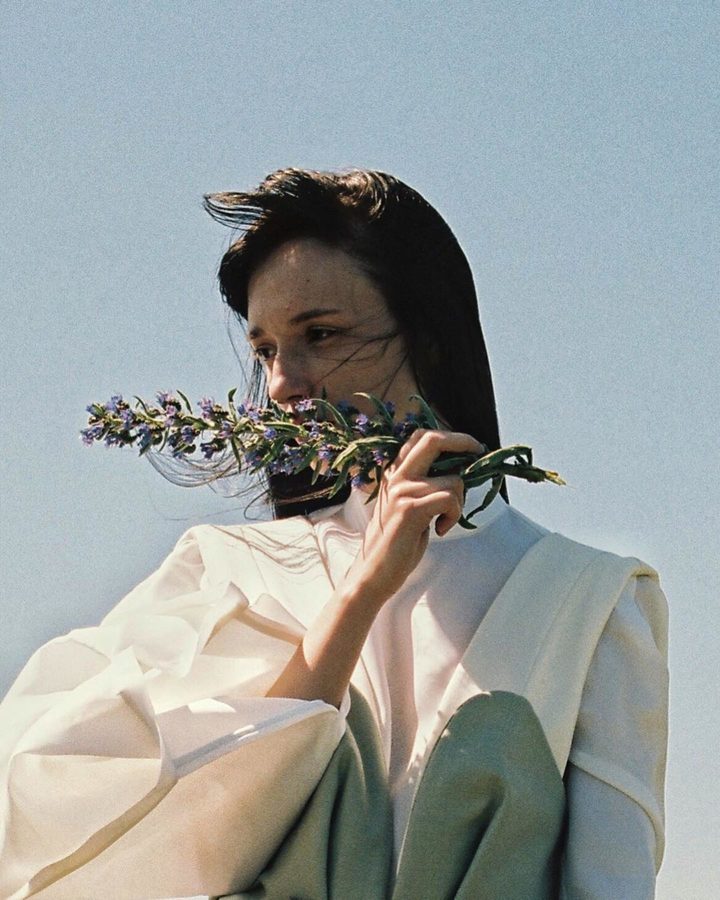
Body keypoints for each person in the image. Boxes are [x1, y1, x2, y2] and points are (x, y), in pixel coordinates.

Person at [0, 169, 668, 899]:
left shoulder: (589, 600)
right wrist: (361, 592)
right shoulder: (227, 571)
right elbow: (91, 810)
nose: (283, 383)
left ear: (428, 337)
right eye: (265, 350)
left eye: (320, 335)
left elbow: (611, 884)